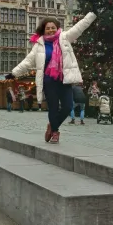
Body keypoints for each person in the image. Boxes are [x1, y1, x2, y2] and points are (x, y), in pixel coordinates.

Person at [12, 13, 97, 145]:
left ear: (57, 28)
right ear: (43, 30)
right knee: (53, 108)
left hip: (64, 79)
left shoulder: (65, 38)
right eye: (48, 28)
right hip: (49, 81)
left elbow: (79, 27)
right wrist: (14, 73)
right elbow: (28, 62)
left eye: (53, 27)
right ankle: (55, 132)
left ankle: (52, 125)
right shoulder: (39, 45)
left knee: (68, 106)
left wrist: (92, 15)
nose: (51, 30)